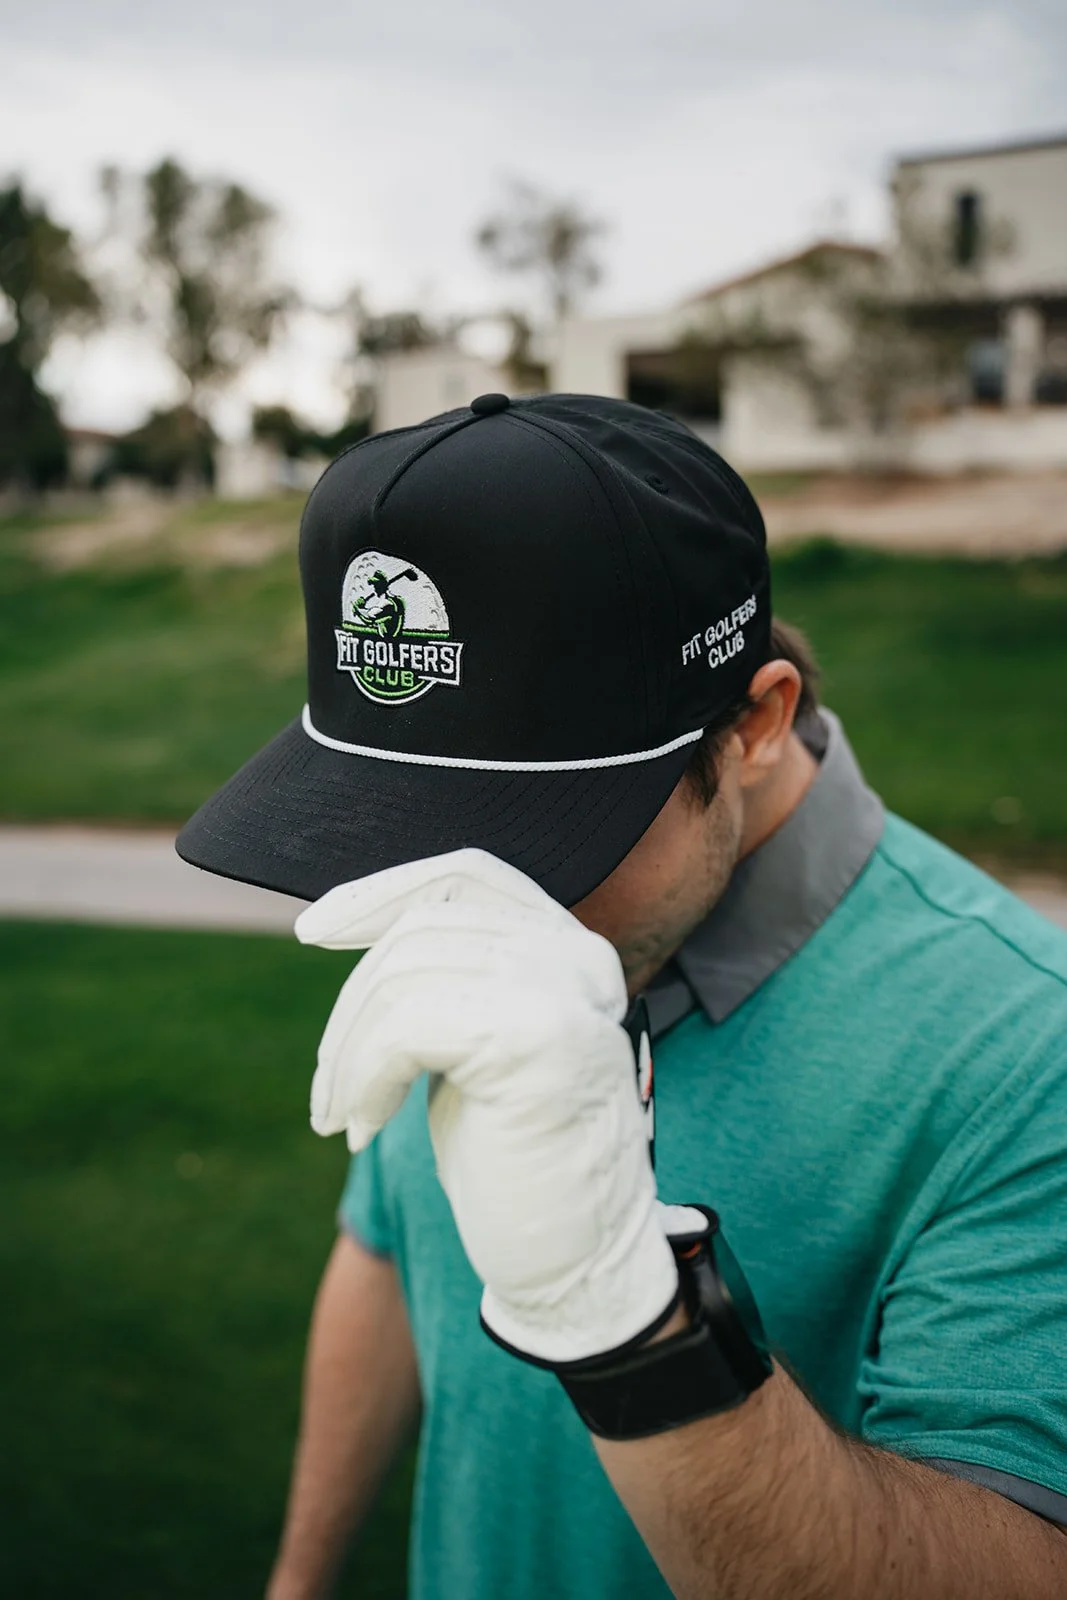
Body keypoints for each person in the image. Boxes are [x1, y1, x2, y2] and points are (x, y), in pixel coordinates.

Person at [177, 393, 1067, 1600]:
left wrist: (623, 1313)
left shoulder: (1024, 1047)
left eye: (541, 829)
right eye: (410, 815)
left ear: (753, 725)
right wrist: (298, 1579)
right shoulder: (461, 926)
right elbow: (385, 1251)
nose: (467, 894)